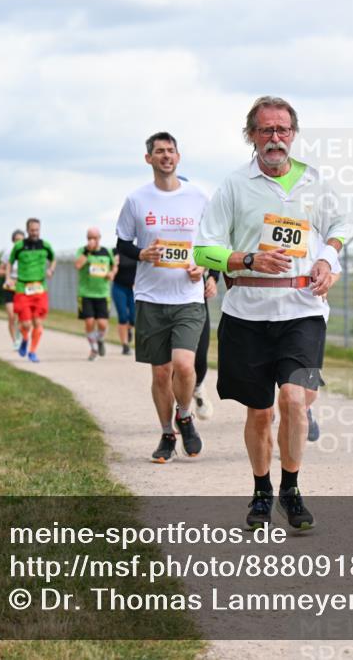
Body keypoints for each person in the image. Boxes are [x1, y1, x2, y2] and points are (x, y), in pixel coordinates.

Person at [194, 96, 348, 531]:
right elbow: (203, 249)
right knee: (260, 412)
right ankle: (262, 491)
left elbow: (338, 228)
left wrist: (326, 261)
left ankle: (291, 490)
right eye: (266, 130)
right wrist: (248, 260)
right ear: (251, 135)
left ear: (293, 134)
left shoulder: (314, 181)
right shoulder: (234, 185)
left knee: (294, 399)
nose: (275, 138)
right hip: (248, 312)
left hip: (303, 310)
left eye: (282, 129)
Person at [115, 131, 207, 463]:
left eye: (171, 150)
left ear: (178, 157)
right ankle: (168, 433)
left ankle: (185, 414)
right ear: (148, 158)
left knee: (184, 366)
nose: (166, 156)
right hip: (151, 297)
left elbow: (212, 242)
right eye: (159, 151)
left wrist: (204, 268)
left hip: (188, 297)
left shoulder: (198, 197)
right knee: (160, 373)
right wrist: (141, 254)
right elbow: (122, 243)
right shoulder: (136, 199)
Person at [8, 218, 55, 363]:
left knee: (38, 322)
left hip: (40, 288)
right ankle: (24, 339)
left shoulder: (45, 245)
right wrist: (8, 278)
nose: (35, 233)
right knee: (26, 324)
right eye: (32, 230)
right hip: (23, 289)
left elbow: (53, 259)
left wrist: (51, 269)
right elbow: (9, 262)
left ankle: (32, 352)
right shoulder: (19, 246)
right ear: (27, 230)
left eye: (37, 230)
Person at [75, 227, 116, 361]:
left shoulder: (106, 251)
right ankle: (93, 349)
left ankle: (100, 339)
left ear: (99, 238)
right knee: (89, 322)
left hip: (103, 293)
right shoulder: (82, 251)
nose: (92, 240)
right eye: (89, 238)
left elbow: (114, 266)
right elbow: (78, 265)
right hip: (86, 293)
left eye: (94, 238)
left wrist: (112, 273)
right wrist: (88, 251)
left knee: (103, 324)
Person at [190, 269, 219, 419]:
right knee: (173, 362)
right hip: (163, 298)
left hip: (196, 297)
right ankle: (182, 413)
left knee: (200, 356)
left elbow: (214, 255)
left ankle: (197, 386)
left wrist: (213, 277)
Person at [0, 230, 25, 349]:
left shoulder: (26, 254)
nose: (19, 242)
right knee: (12, 316)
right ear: (13, 241)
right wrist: (9, 275)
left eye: (21, 240)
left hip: (22, 287)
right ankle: (15, 341)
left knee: (21, 317)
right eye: (17, 240)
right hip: (9, 287)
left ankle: (19, 337)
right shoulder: (8, 253)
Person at [111, 245, 137, 355]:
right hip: (119, 287)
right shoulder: (114, 251)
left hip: (133, 288)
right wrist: (114, 264)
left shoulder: (136, 250)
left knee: (133, 317)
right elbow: (109, 269)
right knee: (122, 316)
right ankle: (125, 346)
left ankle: (129, 329)